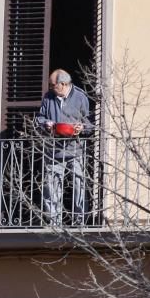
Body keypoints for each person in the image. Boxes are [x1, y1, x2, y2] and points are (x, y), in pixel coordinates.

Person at [35, 69, 94, 225]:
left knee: (79, 186)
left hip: (75, 150)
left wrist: (82, 128)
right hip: (53, 150)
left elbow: (90, 124)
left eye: (52, 84)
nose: (50, 87)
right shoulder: (48, 98)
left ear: (62, 84)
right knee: (51, 188)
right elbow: (39, 119)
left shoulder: (81, 97)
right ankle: (54, 223)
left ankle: (80, 223)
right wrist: (45, 124)